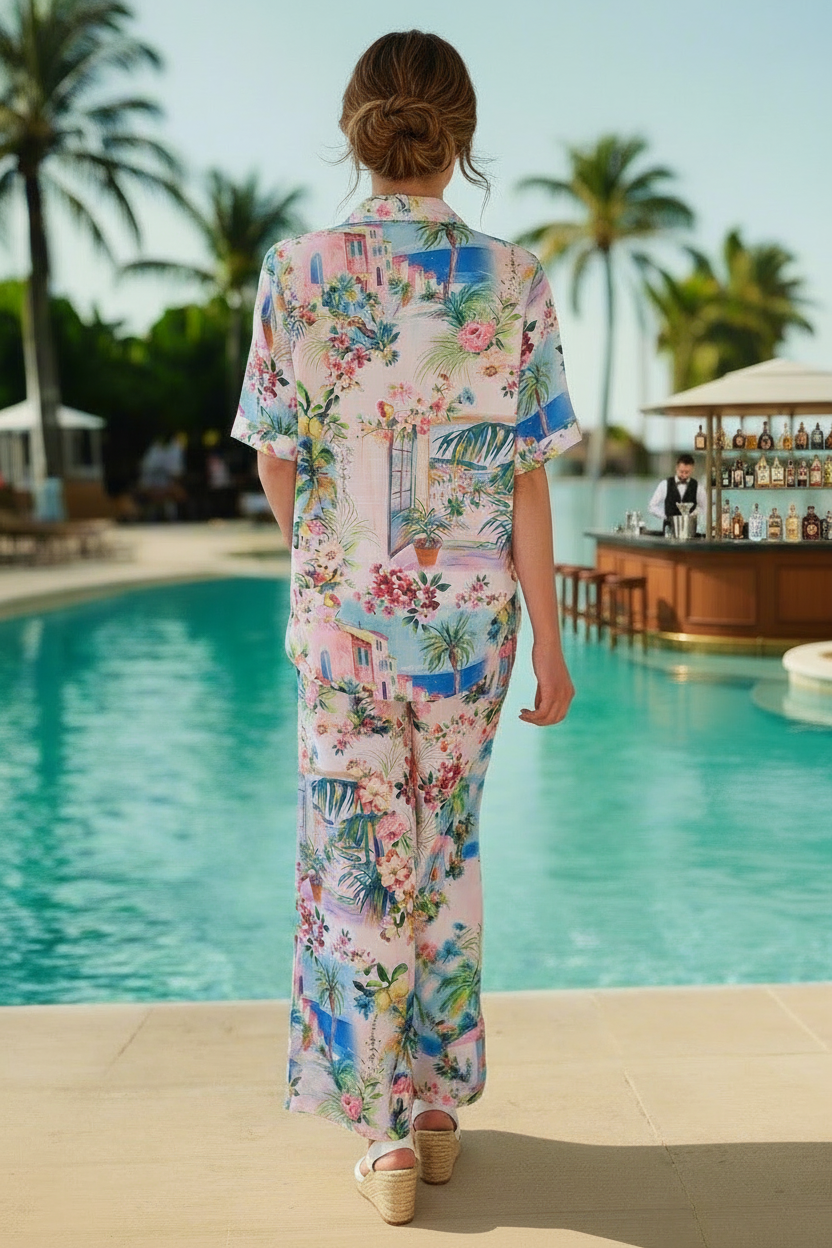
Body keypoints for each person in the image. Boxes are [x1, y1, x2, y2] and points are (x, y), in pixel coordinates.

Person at [230, 29, 581, 1226]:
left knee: (352, 868)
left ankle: (380, 1132)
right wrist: (551, 637)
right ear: (460, 134)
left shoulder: (296, 271)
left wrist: (326, 567)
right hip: (470, 630)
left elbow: (279, 470)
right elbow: (528, 481)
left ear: (355, 127)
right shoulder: (514, 278)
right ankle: (434, 1111)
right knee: (445, 857)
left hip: (340, 627)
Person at [648, 452, 707, 535]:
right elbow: (652, 506)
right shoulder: (664, 484)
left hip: (690, 532)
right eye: (681, 471)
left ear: (692, 469)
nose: (684, 475)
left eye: (687, 472)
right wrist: (666, 516)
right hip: (668, 532)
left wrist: (693, 514)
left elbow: (705, 507)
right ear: (676, 468)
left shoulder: (698, 487)